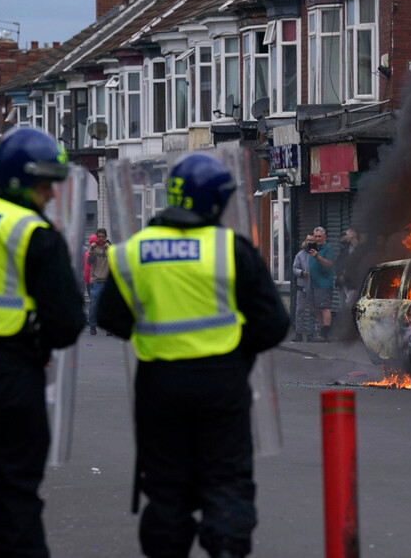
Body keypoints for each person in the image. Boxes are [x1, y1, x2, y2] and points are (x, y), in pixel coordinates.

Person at [97, 153, 289, 558]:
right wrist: (237, 352)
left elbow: (111, 316)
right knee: (227, 481)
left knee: (167, 488)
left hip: (159, 385)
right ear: (215, 202)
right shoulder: (231, 249)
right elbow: (272, 323)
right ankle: (226, 548)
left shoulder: (135, 251)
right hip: (222, 382)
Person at [0, 127, 85, 558]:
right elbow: (67, 322)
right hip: (10, 376)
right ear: (19, 180)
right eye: (45, 184)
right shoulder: (31, 232)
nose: (51, 194)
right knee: (15, 499)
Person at [308, 226, 335, 341]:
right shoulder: (313, 248)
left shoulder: (328, 249)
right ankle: (321, 331)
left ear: (325, 237)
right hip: (313, 284)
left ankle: (325, 334)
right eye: (316, 236)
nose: (318, 239)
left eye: (320, 236)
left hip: (324, 284)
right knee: (316, 309)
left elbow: (329, 265)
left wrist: (318, 257)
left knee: (324, 308)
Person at [291, 234, 317, 343]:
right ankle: (299, 333)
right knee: (300, 310)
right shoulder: (300, 255)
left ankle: (311, 334)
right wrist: (302, 273)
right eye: (308, 240)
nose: (309, 242)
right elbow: (295, 268)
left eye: (312, 240)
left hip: (314, 287)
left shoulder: (317, 254)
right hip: (302, 286)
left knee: (312, 311)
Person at [87, 228, 110, 335]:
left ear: (106, 237)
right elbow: (89, 261)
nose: (101, 239)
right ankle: (92, 325)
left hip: (107, 280)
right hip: (96, 281)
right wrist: (91, 249)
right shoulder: (94, 248)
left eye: (103, 237)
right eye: (99, 237)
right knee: (94, 305)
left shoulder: (109, 248)